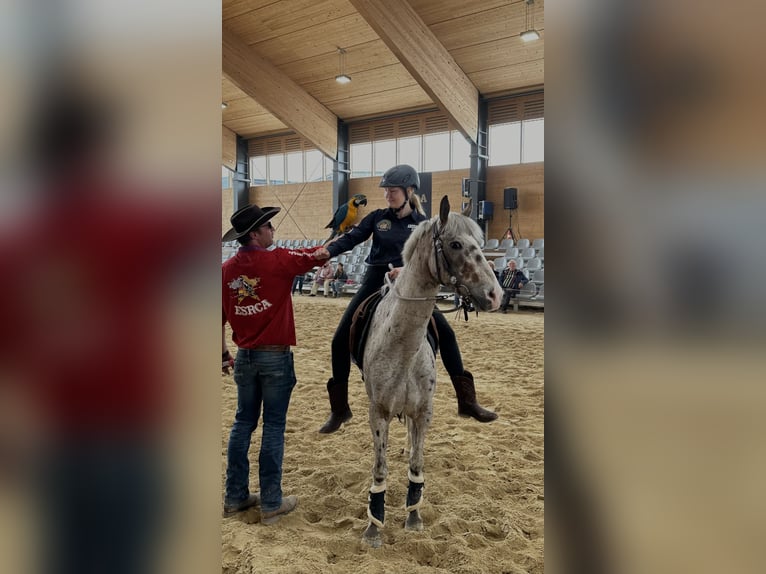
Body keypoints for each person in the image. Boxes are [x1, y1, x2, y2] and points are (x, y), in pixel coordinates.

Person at [313, 164, 497, 434]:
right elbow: (351, 238)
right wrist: (328, 251)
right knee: (340, 338)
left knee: (446, 334)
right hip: (376, 280)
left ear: (409, 191)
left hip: (410, 288)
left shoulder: (423, 225)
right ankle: (339, 409)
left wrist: (407, 270)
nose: (388, 194)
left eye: (393, 190)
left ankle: (467, 400)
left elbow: (428, 258)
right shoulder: (376, 218)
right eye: (386, 190)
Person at [221, 203, 327, 522]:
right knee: (274, 425)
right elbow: (317, 255)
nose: (272, 230)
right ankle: (270, 502)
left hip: (243, 357)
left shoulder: (225, 270)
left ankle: (235, 496)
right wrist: (339, 239)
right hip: (275, 357)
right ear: (255, 233)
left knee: (243, 423)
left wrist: (221, 354)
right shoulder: (278, 260)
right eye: (268, 226)